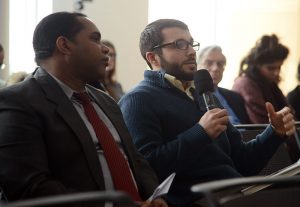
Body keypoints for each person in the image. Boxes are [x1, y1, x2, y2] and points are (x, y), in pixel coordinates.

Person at [119, 19, 295, 206]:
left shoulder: (203, 95)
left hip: (236, 192)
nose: (191, 51)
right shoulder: (138, 100)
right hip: (199, 200)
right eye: (180, 45)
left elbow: (244, 163)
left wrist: (274, 133)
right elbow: (148, 169)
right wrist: (201, 133)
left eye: (191, 43)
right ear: (153, 58)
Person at [0, 12, 167, 207]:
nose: (105, 49)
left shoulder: (105, 101)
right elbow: (30, 187)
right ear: (64, 45)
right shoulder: (18, 101)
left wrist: (154, 198)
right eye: (95, 39)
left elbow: (135, 160)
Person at [232, 34, 289, 124]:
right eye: (271, 68)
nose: (277, 72)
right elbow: (262, 123)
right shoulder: (245, 83)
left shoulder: (269, 83)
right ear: (257, 66)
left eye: (279, 67)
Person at [197, 45, 250, 124]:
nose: (215, 68)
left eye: (220, 64)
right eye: (209, 63)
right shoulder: (191, 98)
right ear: (197, 65)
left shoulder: (235, 97)